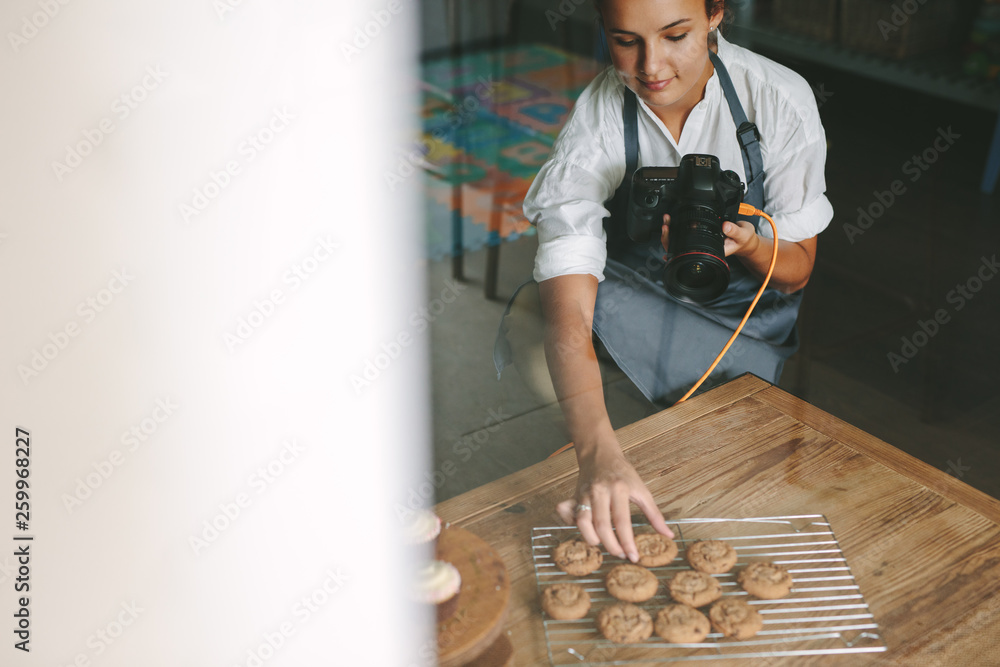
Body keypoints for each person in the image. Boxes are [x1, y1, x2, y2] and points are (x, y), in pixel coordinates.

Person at [494, 0, 833, 562]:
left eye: (676, 35)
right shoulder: (602, 115)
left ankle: (631, 453)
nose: (651, 66)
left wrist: (748, 242)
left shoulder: (777, 99)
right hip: (635, 304)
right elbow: (569, 306)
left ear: (716, 14)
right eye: (625, 41)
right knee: (537, 314)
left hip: (740, 330)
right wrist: (594, 449)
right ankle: (610, 452)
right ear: (603, 29)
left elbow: (796, 275)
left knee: (691, 482)